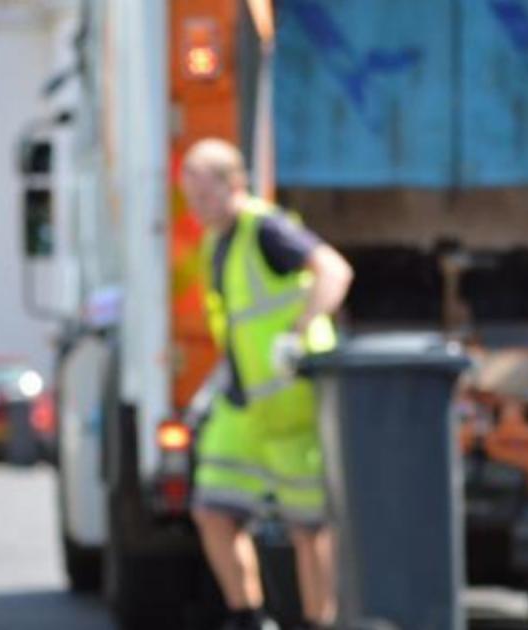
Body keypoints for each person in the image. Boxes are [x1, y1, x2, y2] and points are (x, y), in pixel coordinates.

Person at [182, 138, 353, 630]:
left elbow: (335, 271)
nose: (197, 208)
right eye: (190, 198)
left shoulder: (266, 229)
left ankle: (318, 623)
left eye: (204, 196)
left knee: (310, 528)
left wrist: (298, 335)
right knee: (212, 508)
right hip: (246, 406)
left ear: (234, 184)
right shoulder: (216, 244)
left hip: (294, 403)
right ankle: (247, 617)